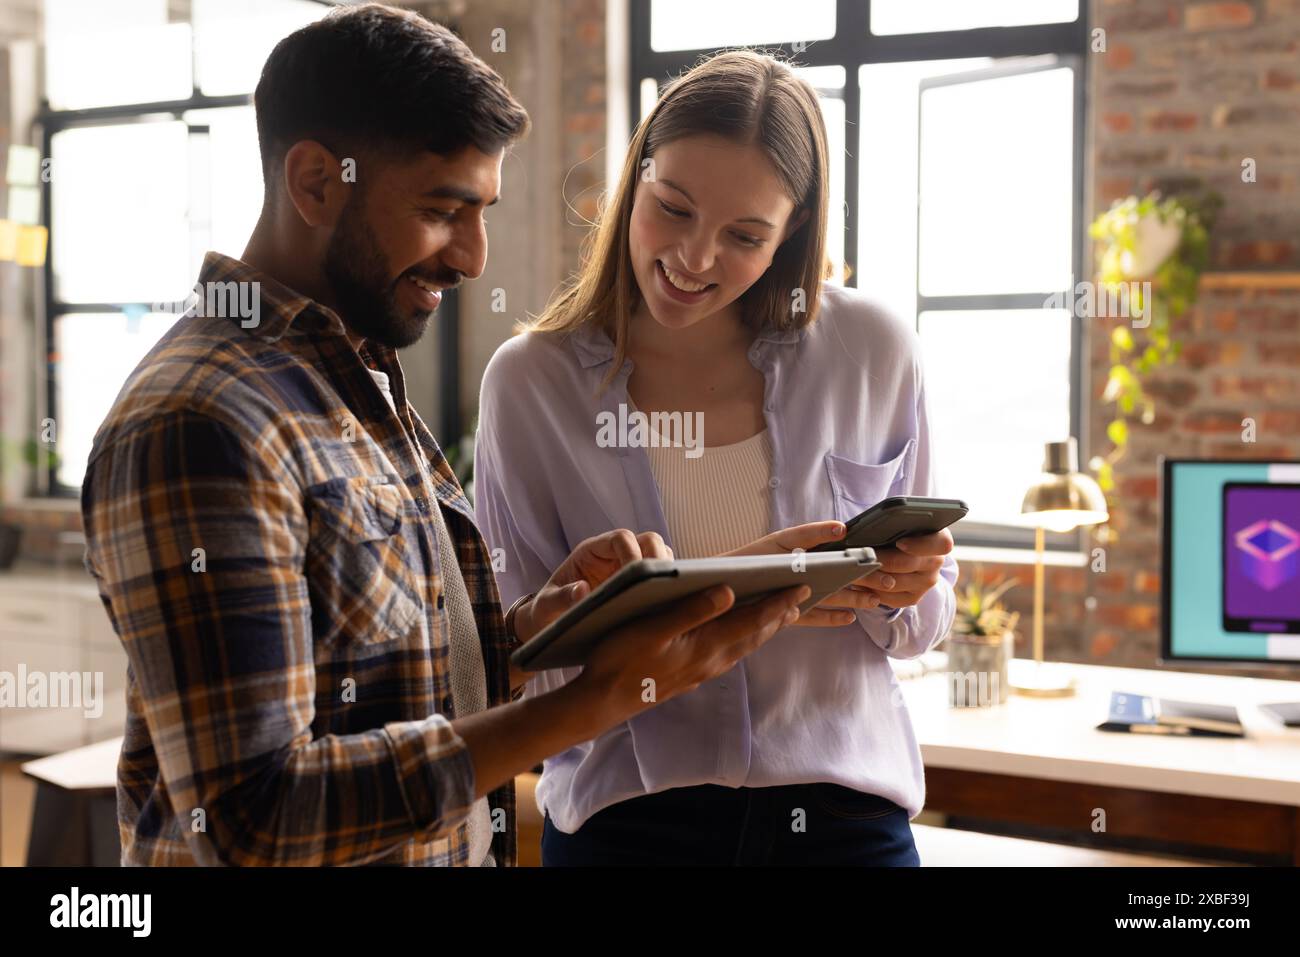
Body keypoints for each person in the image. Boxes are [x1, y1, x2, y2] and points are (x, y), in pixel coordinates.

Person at [79, 4, 805, 867]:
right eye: (443, 210)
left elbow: (395, 690)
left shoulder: (353, 378)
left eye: (484, 210)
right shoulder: (199, 422)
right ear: (316, 182)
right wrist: (593, 701)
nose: (473, 258)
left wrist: (549, 630)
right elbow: (254, 815)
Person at [475, 49, 958, 866]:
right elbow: (512, 659)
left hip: (843, 826)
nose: (695, 258)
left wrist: (907, 590)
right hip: (628, 828)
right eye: (672, 208)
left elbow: (920, 626)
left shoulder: (874, 351)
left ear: (789, 238)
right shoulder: (530, 383)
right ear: (635, 181)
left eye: (744, 235)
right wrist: (635, 613)